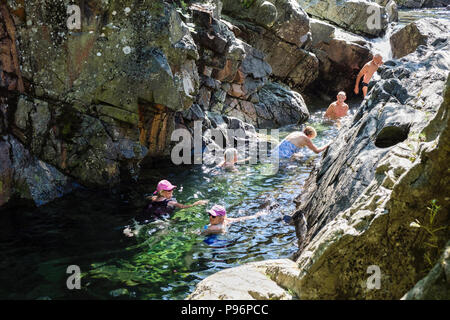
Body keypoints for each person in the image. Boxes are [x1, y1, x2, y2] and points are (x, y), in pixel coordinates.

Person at [123, 179, 208, 237]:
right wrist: (196, 203)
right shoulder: (171, 202)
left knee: (139, 222)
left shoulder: (153, 198)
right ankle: (137, 231)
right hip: (158, 218)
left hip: (146, 214)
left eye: (172, 190)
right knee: (167, 225)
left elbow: (146, 199)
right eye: (169, 190)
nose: (172, 191)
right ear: (162, 192)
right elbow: (184, 207)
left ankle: (134, 229)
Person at [201, 204, 268, 235]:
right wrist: (255, 216)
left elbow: (201, 230)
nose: (210, 217)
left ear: (221, 218)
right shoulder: (226, 220)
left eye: (213, 216)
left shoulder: (213, 227)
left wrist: (202, 228)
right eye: (209, 214)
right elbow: (240, 219)